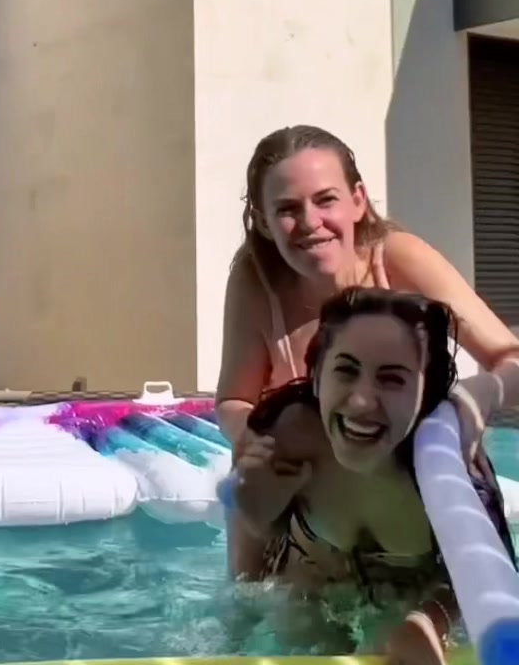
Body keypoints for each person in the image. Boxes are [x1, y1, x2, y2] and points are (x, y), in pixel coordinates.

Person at [216, 125, 519, 575]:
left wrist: (475, 399)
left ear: (358, 200)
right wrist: (256, 441)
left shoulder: (395, 259)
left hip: (407, 495)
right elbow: (233, 400)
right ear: (263, 221)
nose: (310, 222)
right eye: (287, 209)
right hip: (315, 502)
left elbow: (511, 358)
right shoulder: (257, 281)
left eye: (325, 199)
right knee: (247, 488)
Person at [233, 287, 517, 664]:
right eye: (346, 371)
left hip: (410, 603)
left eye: (393, 379)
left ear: (425, 392)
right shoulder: (289, 433)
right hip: (311, 596)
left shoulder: (441, 466)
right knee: (297, 624)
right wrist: (257, 519)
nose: (362, 401)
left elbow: (487, 578)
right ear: (316, 376)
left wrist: (430, 620)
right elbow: (244, 581)